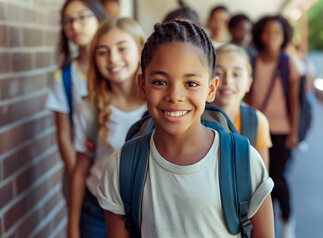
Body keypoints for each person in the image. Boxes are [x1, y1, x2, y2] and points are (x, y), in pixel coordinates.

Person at [97, 20, 275, 237]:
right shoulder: (121, 166)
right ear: (142, 86)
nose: (174, 95)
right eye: (160, 82)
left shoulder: (244, 160)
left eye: (190, 83)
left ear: (211, 89)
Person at [67, 17, 147, 238]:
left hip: (146, 212)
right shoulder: (89, 108)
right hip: (97, 212)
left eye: (122, 48)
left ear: (141, 50)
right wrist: (72, 227)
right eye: (103, 51)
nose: (113, 59)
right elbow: (81, 169)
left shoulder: (157, 105)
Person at [46, 0, 107, 201]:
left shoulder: (116, 67)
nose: (74, 25)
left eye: (82, 17)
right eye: (68, 21)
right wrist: (78, 180)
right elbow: (64, 136)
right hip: (81, 172)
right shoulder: (63, 77)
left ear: (99, 18)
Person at [250, 15, 300, 238]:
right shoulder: (252, 62)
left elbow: (294, 102)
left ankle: (288, 219)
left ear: (284, 37)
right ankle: (265, 224)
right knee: (260, 179)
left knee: (277, 179)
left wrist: (294, 132)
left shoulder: (289, 65)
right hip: (257, 129)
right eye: (267, 32)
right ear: (260, 35)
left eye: (276, 33)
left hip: (281, 131)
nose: (271, 37)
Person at [211, 44, 272, 170]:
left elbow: (262, 182)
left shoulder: (257, 121)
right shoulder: (193, 118)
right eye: (219, 73)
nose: (227, 81)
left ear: (248, 84)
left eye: (236, 74)